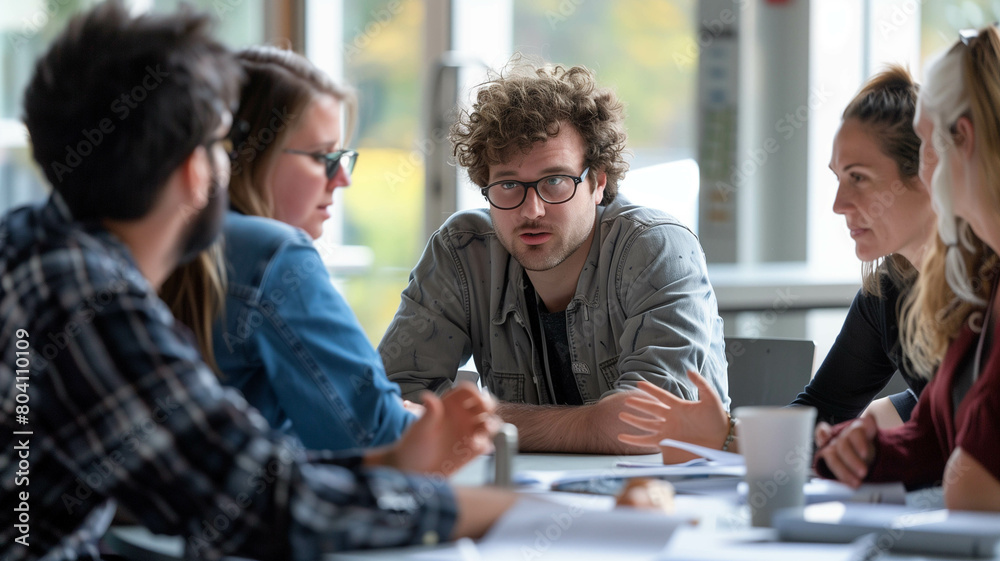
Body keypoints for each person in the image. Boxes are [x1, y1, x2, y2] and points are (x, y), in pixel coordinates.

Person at [0, 4, 517, 559]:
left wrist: (387, 467)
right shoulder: (87, 298)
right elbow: (259, 505)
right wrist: (516, 514)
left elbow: (204, 470)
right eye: (222, 145)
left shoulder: (29, 248)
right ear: (194, 170)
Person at [378, 59, 730, 455]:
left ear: (597, 182)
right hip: (519, 498)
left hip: (663, 501)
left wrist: (475, 421)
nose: (532, 210)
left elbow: (644, 425)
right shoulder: (463, 252)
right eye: (509, 184)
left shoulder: (657, 248)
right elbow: (387, 403)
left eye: (555, 181)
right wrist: (593, 423)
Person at [616, 66, 937, 455]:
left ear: (926, 174)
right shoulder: (887, 294)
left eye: (859, 177)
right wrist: (728, 435)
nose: (838, 205)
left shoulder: (984, 295)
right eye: (838, 178)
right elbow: (824, 412)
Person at [162, 46, 422, 452]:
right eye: (322, 157)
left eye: (342, 158)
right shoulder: (273, 254)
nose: (342, 180)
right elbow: (380, 436)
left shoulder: (164, 236)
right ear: (246, 154)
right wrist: (414, 420)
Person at [814, 26, 1000, 511]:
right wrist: (861, 453)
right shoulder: (982, 283)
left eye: (927, 146)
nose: (923, 170)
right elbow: (933, 437)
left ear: (962, 140)